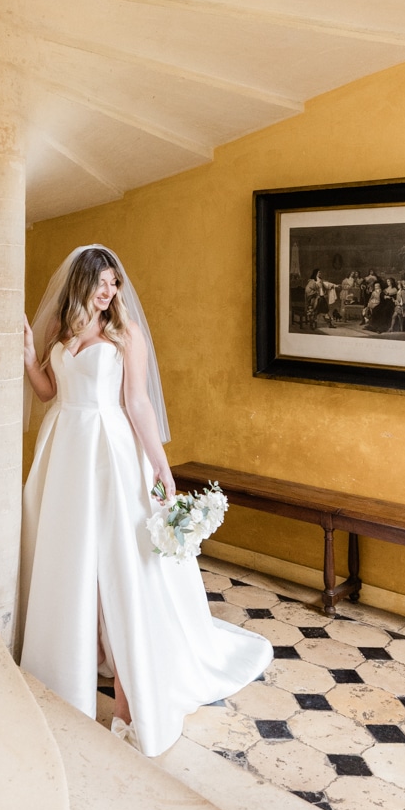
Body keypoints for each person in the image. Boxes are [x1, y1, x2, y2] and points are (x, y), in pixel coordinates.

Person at [20, 245, 273, 757]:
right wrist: (29, 356)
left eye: (115, 283)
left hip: (108, 453)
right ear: (82, 282)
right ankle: (74, 653)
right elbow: (48, 392)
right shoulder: (61, 334)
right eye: (103, 283)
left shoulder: (124, 335)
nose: (111, 291)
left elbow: (136, 402)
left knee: (120, 564)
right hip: (64, 449)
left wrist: (159, 464)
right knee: (71, 557)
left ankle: (127, 700)